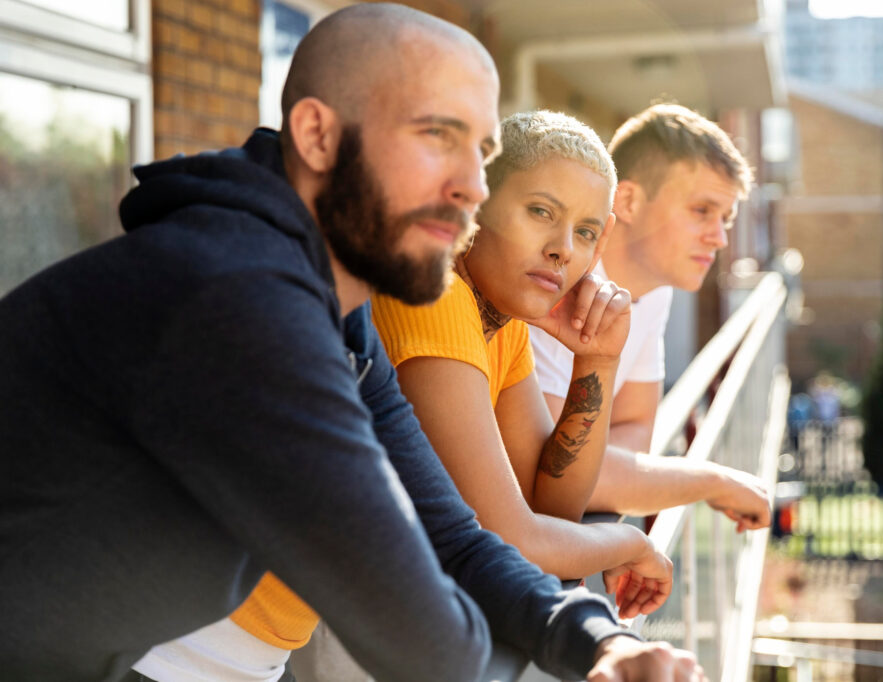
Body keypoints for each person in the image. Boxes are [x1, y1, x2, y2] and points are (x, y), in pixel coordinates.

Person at [0, 6, 704, 682]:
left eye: (481, 153)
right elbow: (431, 646)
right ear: (318, 137)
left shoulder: (336, 312)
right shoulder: (234, 302)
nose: (469, 188)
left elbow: (455, 538)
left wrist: (598, 639)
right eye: (437, 137)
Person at [371, 110, 673, 591]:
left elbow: (551, 506)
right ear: (478, 203)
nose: (562, 249)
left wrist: (597, 360)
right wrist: (634, 545)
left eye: (586, 232)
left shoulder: (501, 321)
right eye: (541, 212)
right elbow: (516, 543)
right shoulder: (435, 293)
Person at [529, 103, 773, 524]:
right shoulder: (558, 285)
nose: (718, 238)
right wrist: (709, 482)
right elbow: (547, 474)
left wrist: (608, 479)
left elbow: (635, 427)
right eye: (701, 211)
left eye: (726, 219)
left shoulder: (653, 288)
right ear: (627, 200)